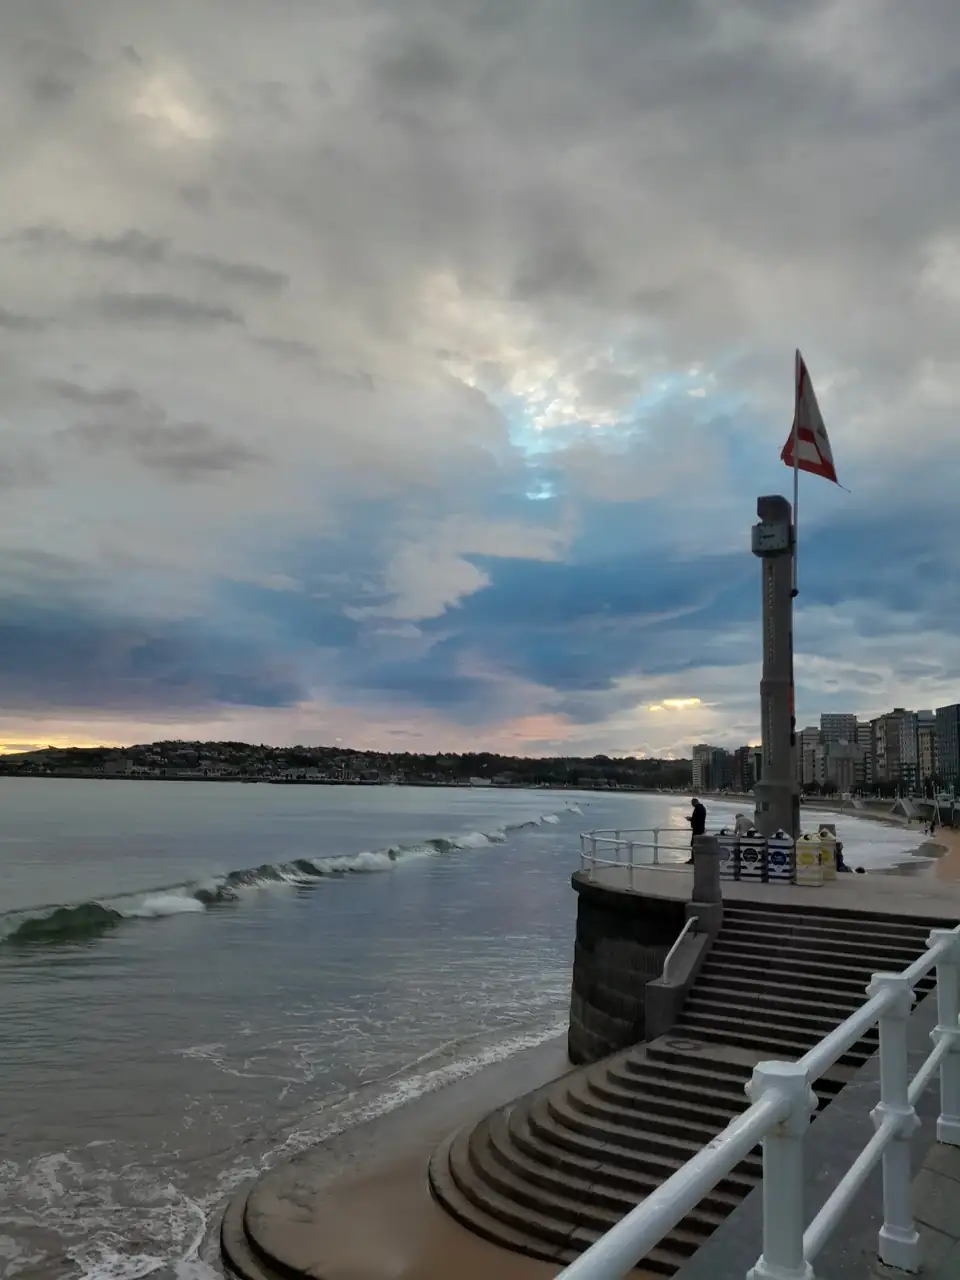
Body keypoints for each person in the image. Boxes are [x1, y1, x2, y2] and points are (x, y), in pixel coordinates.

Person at [686, 796, 707, 862]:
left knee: (694, 844)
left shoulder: (698, 809)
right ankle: (697, 859)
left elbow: (696, 819)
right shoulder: (703, 808)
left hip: (697, 829)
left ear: (694, 803)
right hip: (701, 828)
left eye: (692, 804)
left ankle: (693, 859)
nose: (692, 805)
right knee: (698, 844)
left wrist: (690, 819)